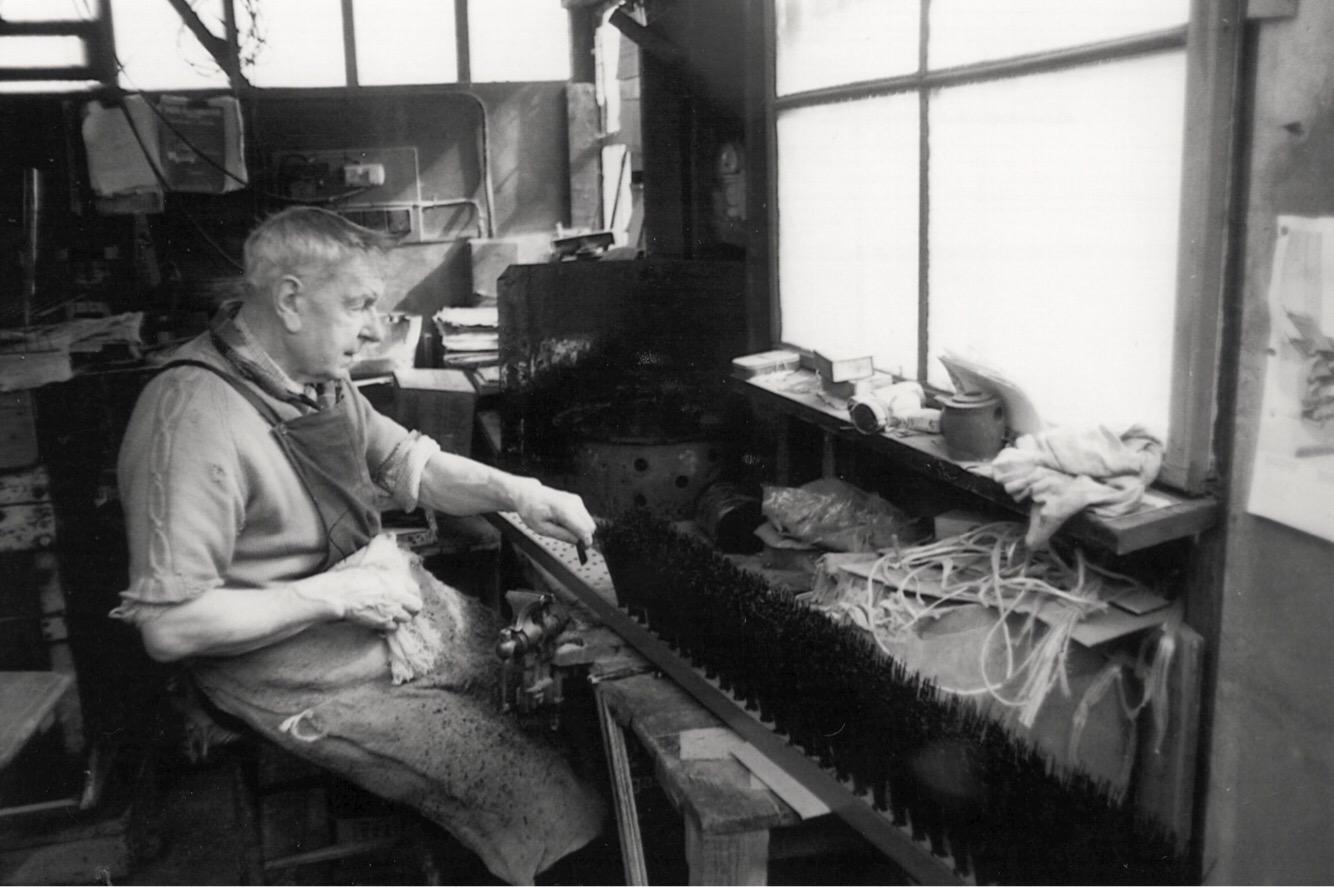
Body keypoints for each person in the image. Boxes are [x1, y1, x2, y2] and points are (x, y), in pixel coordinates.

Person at [112, 206, 605, 884]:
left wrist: (520, 492)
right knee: (536, 793)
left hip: (368, 615)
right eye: (359, 306)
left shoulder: (313, 378)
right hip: (281, 665)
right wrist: (336, 595)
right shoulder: (191, 418)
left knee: (541, 692)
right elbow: (169, 627)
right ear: (290, 300)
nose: (376, 328)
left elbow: (409, 464)